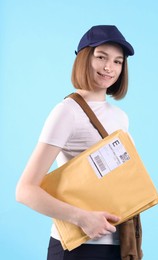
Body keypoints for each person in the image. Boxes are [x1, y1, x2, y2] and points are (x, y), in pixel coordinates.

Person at [16, 25, 137, 260]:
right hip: (78, 246)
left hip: (119, 242)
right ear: (83, 59)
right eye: (101, 57)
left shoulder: (120, 117)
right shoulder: (66, 112)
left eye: (117, 61)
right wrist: (82, 218)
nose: (109, 67)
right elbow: (25, 190)